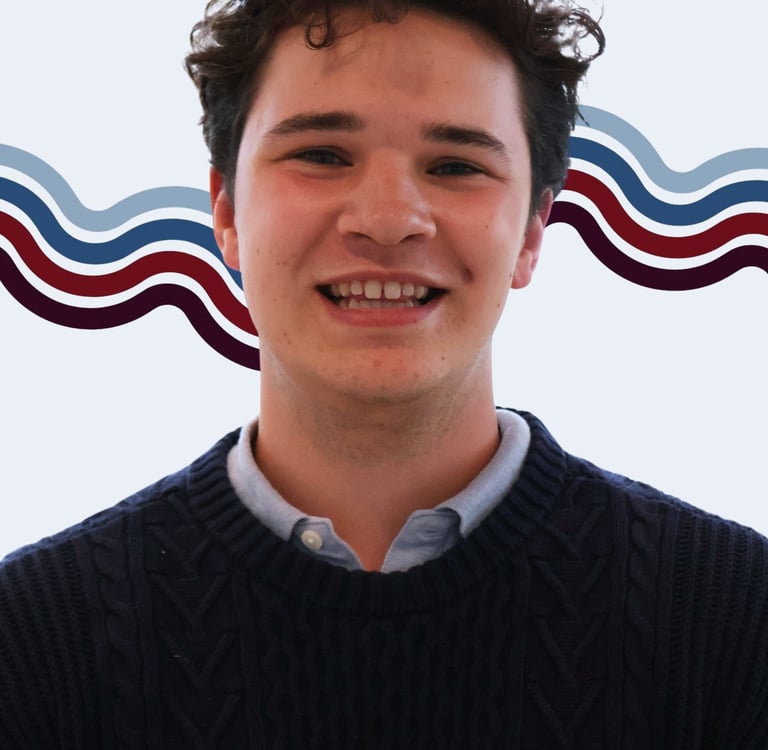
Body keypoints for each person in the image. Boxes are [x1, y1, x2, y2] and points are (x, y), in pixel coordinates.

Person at [1, 0, 767, 747]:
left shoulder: (733, 618)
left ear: (534, 231)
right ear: (226, 211)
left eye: (456, 165)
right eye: (322, 155)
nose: (389, 219)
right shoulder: (34, 638)